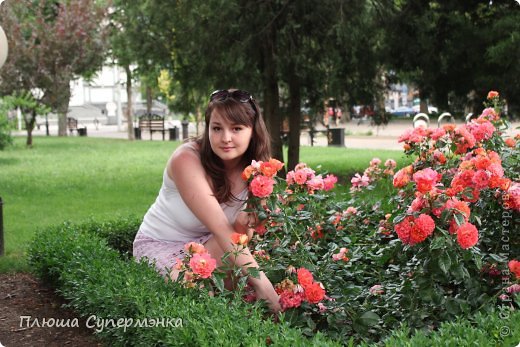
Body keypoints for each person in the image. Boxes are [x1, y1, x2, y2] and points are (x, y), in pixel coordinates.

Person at [133, 89, 281, 312]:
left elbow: (251, 232)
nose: (225, 138)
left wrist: (249, 221)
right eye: (217, 128)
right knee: (196, 292)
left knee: (241, 250)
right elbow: (222, 230)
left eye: (237, 129)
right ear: (207, 128)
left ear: (253, 131)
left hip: (213, 245)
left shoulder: (258, 170)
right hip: (162, 244)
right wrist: (264, 284)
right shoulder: (186, 159)